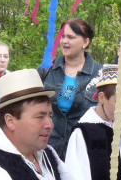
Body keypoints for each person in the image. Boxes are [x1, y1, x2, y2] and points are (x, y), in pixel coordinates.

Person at [41, 18, 103, 157]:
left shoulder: (100, 74)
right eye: (62, 36)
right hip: (49, 152)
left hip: (86, 153)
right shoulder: (47, 71)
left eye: (70, 37)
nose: (64, 41)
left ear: (85, 42)